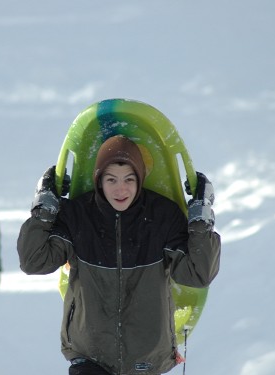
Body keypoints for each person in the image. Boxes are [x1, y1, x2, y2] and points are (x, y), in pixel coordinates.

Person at [17, 135, 221, 375]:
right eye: (111, 179)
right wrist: (44, 206)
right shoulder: (78, 215)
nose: (120, 189)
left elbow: (198, 274)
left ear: (140, 179)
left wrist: (201, 217)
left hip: (146, 357)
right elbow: (34, 261)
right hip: (89, 354)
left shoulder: (162, 216)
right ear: (99, 180)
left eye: (129, 179)